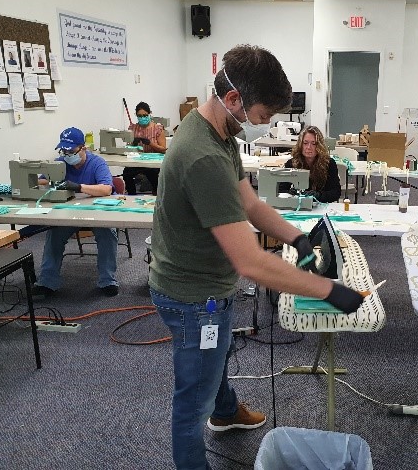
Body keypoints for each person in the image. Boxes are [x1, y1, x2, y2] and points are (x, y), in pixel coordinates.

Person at [149, 44, 364, 470]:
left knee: (219, 352)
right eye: (263, 116)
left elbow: (249, 204)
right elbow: (251, 262)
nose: (264, 124)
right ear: (234, 100)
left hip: (210, 285)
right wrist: (329, 290)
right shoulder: (203, 155)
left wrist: (298, 237)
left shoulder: (217, 132)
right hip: (194, 296)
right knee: (192, 402)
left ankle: (225, 410)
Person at [31, 127, 120, 299]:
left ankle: (107, 280)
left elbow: (106, 188)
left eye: (71, 151)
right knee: (54, 234)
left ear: (83, 148)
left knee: (108, 233)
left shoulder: (97, 163)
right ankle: (47, 282)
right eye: (63, 150)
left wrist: (79, 187)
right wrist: (43, 179)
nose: (67, 154)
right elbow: (41, 180)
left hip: (98, 212)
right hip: (70, 212)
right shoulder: (60, 163)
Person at [279, 125, 342, 203]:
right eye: (305, 143)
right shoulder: (291, 163)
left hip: (321, 206)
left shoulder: (329, 164)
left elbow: (336, 192)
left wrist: (319, 195)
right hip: (299, 206)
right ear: (300, 145)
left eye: (314, 143)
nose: (309, 147)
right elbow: (281, 190)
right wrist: (290, 193)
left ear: (319, 146)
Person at [122, 101, 166, 195]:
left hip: (152, 162)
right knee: (126, 173)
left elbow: (163, 149)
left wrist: (150, 143)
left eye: (145, 115)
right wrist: (133, 143)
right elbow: (128, 148)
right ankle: (131, 195)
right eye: (140, 116)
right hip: (137, 161)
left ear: (149, 114)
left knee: (154, 175)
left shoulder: (158, 129)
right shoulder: (133, 128)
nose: (142, 118)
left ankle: (156, 196)